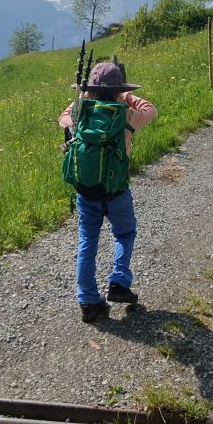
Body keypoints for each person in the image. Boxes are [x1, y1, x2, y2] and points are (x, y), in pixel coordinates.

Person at [58, 62, 157, 323]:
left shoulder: (80, 115)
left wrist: (82, 98)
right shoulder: (125, 115)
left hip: (87, 190)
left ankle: (89, 302)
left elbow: (63, 119)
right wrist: (125, 96)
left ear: (90, 90)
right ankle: (119, 282)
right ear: (118, 90)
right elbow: (151, 110)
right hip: (117, 190)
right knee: (125, 233)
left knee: (87, 241)